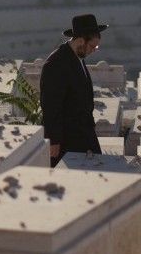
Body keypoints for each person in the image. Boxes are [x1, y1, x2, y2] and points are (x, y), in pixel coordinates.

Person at [39, 14, 108, 166]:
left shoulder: (76, 58)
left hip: (84, 134)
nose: (94, 50)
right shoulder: (56, 63)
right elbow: (51, 105)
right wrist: (54, 140)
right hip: (67, 140)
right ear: (81, 41)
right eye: (92, 46)